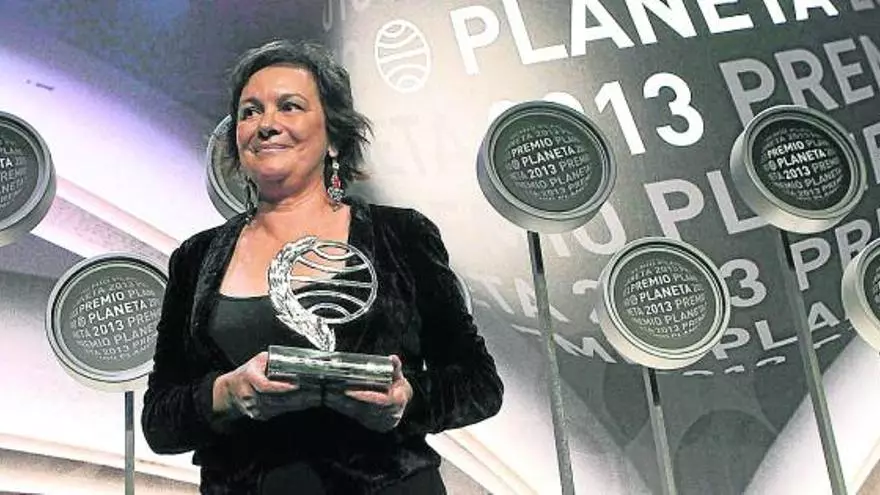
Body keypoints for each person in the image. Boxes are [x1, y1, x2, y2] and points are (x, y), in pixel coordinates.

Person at [141, 39, 504, 494]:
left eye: (289, 106)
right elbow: (159, 421)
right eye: (250, 112)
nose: (266, 124)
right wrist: (226, 393)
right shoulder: (196, 258)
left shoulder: (402, 235)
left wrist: (406, 399)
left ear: (333, 137)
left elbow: (478, 384)